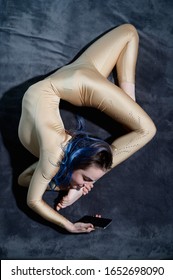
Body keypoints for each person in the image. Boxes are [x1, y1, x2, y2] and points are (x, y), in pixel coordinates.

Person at [18, 24, 156, 234]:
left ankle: (129, 103)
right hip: (71, 79)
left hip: (76, 80)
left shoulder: (53, 157)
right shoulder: (53, 156)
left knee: (129, 32)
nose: (86, 185)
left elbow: (32, 196)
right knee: (128, 32)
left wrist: (73, 190)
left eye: (87, 181)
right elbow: (29, 186)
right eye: (87, 180)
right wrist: (70, 209)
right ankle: (127, 105)